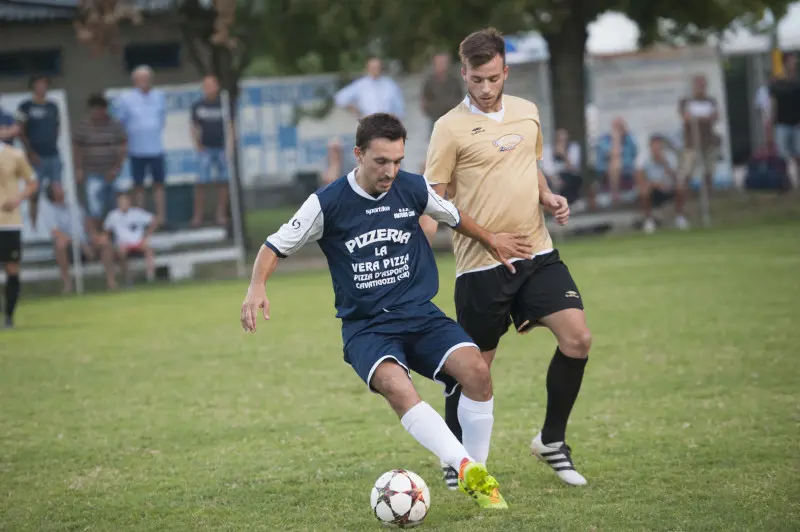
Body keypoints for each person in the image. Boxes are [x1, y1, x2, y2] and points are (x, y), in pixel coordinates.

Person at [241, 113, 536, 510]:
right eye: (381, 161)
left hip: (419, 313)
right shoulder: (326, 203)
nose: (390, 171)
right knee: (398, 387)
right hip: (367, 327)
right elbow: (274, 245)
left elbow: (453, 216)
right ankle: (463, 464)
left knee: (477, 372)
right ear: (358, 154)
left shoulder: (412, 188)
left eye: (397, 161)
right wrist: (257, 286)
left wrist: (491, 240)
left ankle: (478, 475)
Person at [421, 27, 592, 489]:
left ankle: (552, 440)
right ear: (464, 74)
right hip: (481, 265)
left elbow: (529, 166)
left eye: (493, 78)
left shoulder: (527, 113)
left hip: (537, 252)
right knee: (474, 368)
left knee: (577, 338)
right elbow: (433, 199)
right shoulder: (448, 128)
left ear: (505, 71)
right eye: (476, 79)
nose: (485, 88)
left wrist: (548, 196)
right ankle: (456, 456)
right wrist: (419, 250)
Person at [115, 65, 167, 225]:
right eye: (141, 79)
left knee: (159, 184)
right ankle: (140, 219)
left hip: (156, 148)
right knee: (139, 186)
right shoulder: (126, 98)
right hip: (136, 150)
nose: (144, 82)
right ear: (134, 81)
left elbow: (161, 119)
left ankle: (161, 219)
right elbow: (120, 123)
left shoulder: (159, 96)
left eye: (147, 78)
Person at [46, 183, 116, 292]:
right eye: (58, 188)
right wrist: (80, 245)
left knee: (105, 243)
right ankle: (67, 285)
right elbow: (57, 233)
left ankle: (111, 283)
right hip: (71, 248)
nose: (62, 189)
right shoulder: (50, 211)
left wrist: (95, 236)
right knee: (60, 245)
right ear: (53, 194)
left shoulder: (75, 206)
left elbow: (87, 224)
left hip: (86, 243)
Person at [73, 94, 128, 232]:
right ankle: (97, 236)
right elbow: (77, 147)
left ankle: (116, 235)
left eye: (100, 110)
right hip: (92, 172)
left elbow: (123, 146)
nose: (98, 113)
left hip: (113, 172)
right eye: (95, 110)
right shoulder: (83, 125)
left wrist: (117, 167)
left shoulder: (115, 124)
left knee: (116, 206)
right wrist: (78, 168)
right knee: (94, 207)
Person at [0, 140, 38, 328]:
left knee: (12, 269)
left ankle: (9, 316)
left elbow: (32, 182)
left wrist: (17, 200)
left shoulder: (15, 155)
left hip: (9, 223)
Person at [16, 75, 61, 229]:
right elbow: (20, 131)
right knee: (34, 193)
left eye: (44, 84)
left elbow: (56, 127)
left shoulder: (53, 106)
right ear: (33, 86)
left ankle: (58, 226)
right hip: (35, 156)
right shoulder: (25, 106)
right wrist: (30, 153)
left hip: (53, 154)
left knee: (57, 191)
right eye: (38, 84)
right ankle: (33, 227)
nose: (41, 87)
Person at [190, 75, 232, 227]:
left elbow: (231, 125)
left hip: (221, 148)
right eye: (207, 86)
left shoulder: (224, 105)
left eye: (212, 86)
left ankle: (221, 214)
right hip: (205, 149)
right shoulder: (198, 106)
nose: (209, 89)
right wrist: (197, 144)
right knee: (201, 182)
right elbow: (193, 126)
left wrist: (230, 145)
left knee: (223, 182)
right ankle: (198, 216)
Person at [103, 192, 156, 285]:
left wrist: (147, 235)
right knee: (121, 252)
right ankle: (127, 278)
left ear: (129, 202)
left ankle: (150, 278)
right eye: (121, 202)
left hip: (138, 243)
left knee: (148, 249)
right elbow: (106, 231)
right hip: (122, 244)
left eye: (125, 201)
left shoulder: (137, 213)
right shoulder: (113, 216)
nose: (123, 204)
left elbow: (154, 220)